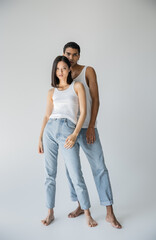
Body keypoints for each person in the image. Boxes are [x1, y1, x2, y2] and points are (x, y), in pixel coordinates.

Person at [63, 42, 122, 229]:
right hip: (68, 129)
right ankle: (81, 205)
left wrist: (91, 126)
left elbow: (96, 99)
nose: (71, 58)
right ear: (63, 54)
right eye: (68, 54)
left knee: (100, 168)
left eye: (74, 54)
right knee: (72, 170)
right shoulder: (62, 72)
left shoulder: (88, 71)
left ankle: (110, 213)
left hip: (87, 128)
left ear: (79, 56)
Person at [38, 55, 97, 227]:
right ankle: (50, 213)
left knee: (75, 173)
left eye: (64, 68)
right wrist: (40, 137)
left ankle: (87, 212)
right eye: (58, 69)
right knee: (49, 175)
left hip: (67, 130)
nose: (61, 72)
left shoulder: (77, 86)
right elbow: (47, 115)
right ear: (54, 71)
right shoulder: (52, 92)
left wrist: (75, 134)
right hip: (50, 131)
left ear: (69, 69)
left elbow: (83, 112)